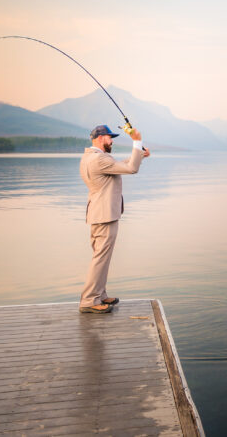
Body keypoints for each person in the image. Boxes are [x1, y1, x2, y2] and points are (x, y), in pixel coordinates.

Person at [78, 123, 150, 314]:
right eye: (110, 137)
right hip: (104, 216)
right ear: (101, 138)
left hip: (98, 213)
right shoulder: (99, 159)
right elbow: (131, 169)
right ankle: (89, 300)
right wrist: (136, 141)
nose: (111, 141)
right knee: (100, 258)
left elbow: (120, 166)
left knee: (102, 257)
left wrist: (139, 154)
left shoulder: (91, 157)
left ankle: (99, 295)